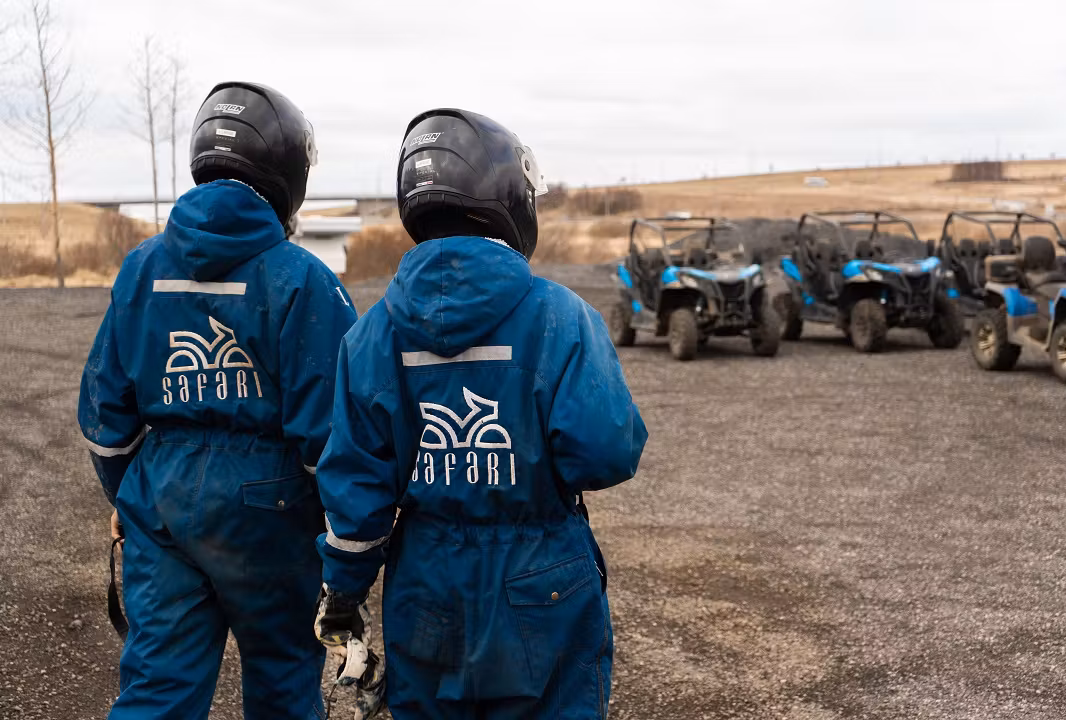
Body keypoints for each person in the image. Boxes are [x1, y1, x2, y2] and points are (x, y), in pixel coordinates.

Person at [313, 108, 648, 719]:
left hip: (425, 580)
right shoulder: (562, 316)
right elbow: (606, 450)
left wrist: (344, 590)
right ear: (510, 197)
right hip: (542, 569)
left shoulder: (372, 335)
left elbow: (356, 494)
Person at [78, 81, 358, 719]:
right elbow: (335, 436)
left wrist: (132, 494)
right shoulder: (304, 279)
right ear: (287, 173)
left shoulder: (142, 267)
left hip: (163, 502)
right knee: (285, 681)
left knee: (156, 688)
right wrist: (344, 541)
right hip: (272, 504)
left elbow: (104, 418)